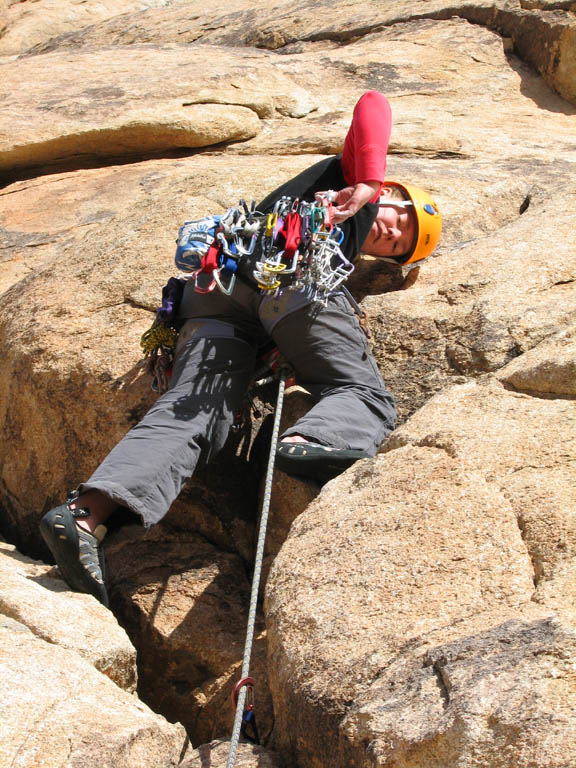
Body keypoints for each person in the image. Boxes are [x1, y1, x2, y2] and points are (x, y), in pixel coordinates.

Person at [39, 91, 442, 606]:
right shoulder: (346, 180)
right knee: (361, 390)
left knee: (201, 414)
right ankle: (313, 440)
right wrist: (365, 181)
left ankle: (85, 516)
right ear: (391, 192)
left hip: (217, 295)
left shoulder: (347, 226)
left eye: (395, 243)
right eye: (399, 216)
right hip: (288, 279)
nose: (389, 229)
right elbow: (372, 104)